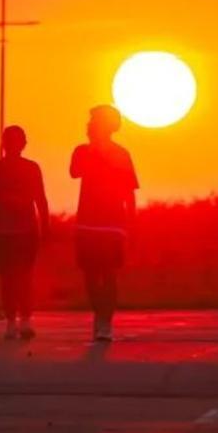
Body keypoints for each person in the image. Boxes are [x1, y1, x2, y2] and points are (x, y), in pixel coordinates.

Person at [70, 105, 139, 342]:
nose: (91, 124)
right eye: (91, 120)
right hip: (87, 222)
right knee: (90, 275)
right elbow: (74, 171)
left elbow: (130, 191)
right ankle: (99, 315)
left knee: (109, 275)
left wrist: (132, 222)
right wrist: (92, 149)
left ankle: (105, 323)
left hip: (113, 224)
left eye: (97, 120)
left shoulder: (121, 153)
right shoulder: (82, 151)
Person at [0, 126, 50, 340]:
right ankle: (12, 321)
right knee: (9, 277)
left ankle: (24, 320)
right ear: (5, 143)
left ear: (23, 144)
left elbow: (40, 198)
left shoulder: (31, 168)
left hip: (26, 230)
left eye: (19, 140)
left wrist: (45, 226)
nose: (15, 145)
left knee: (23, 277)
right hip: (3, 231)